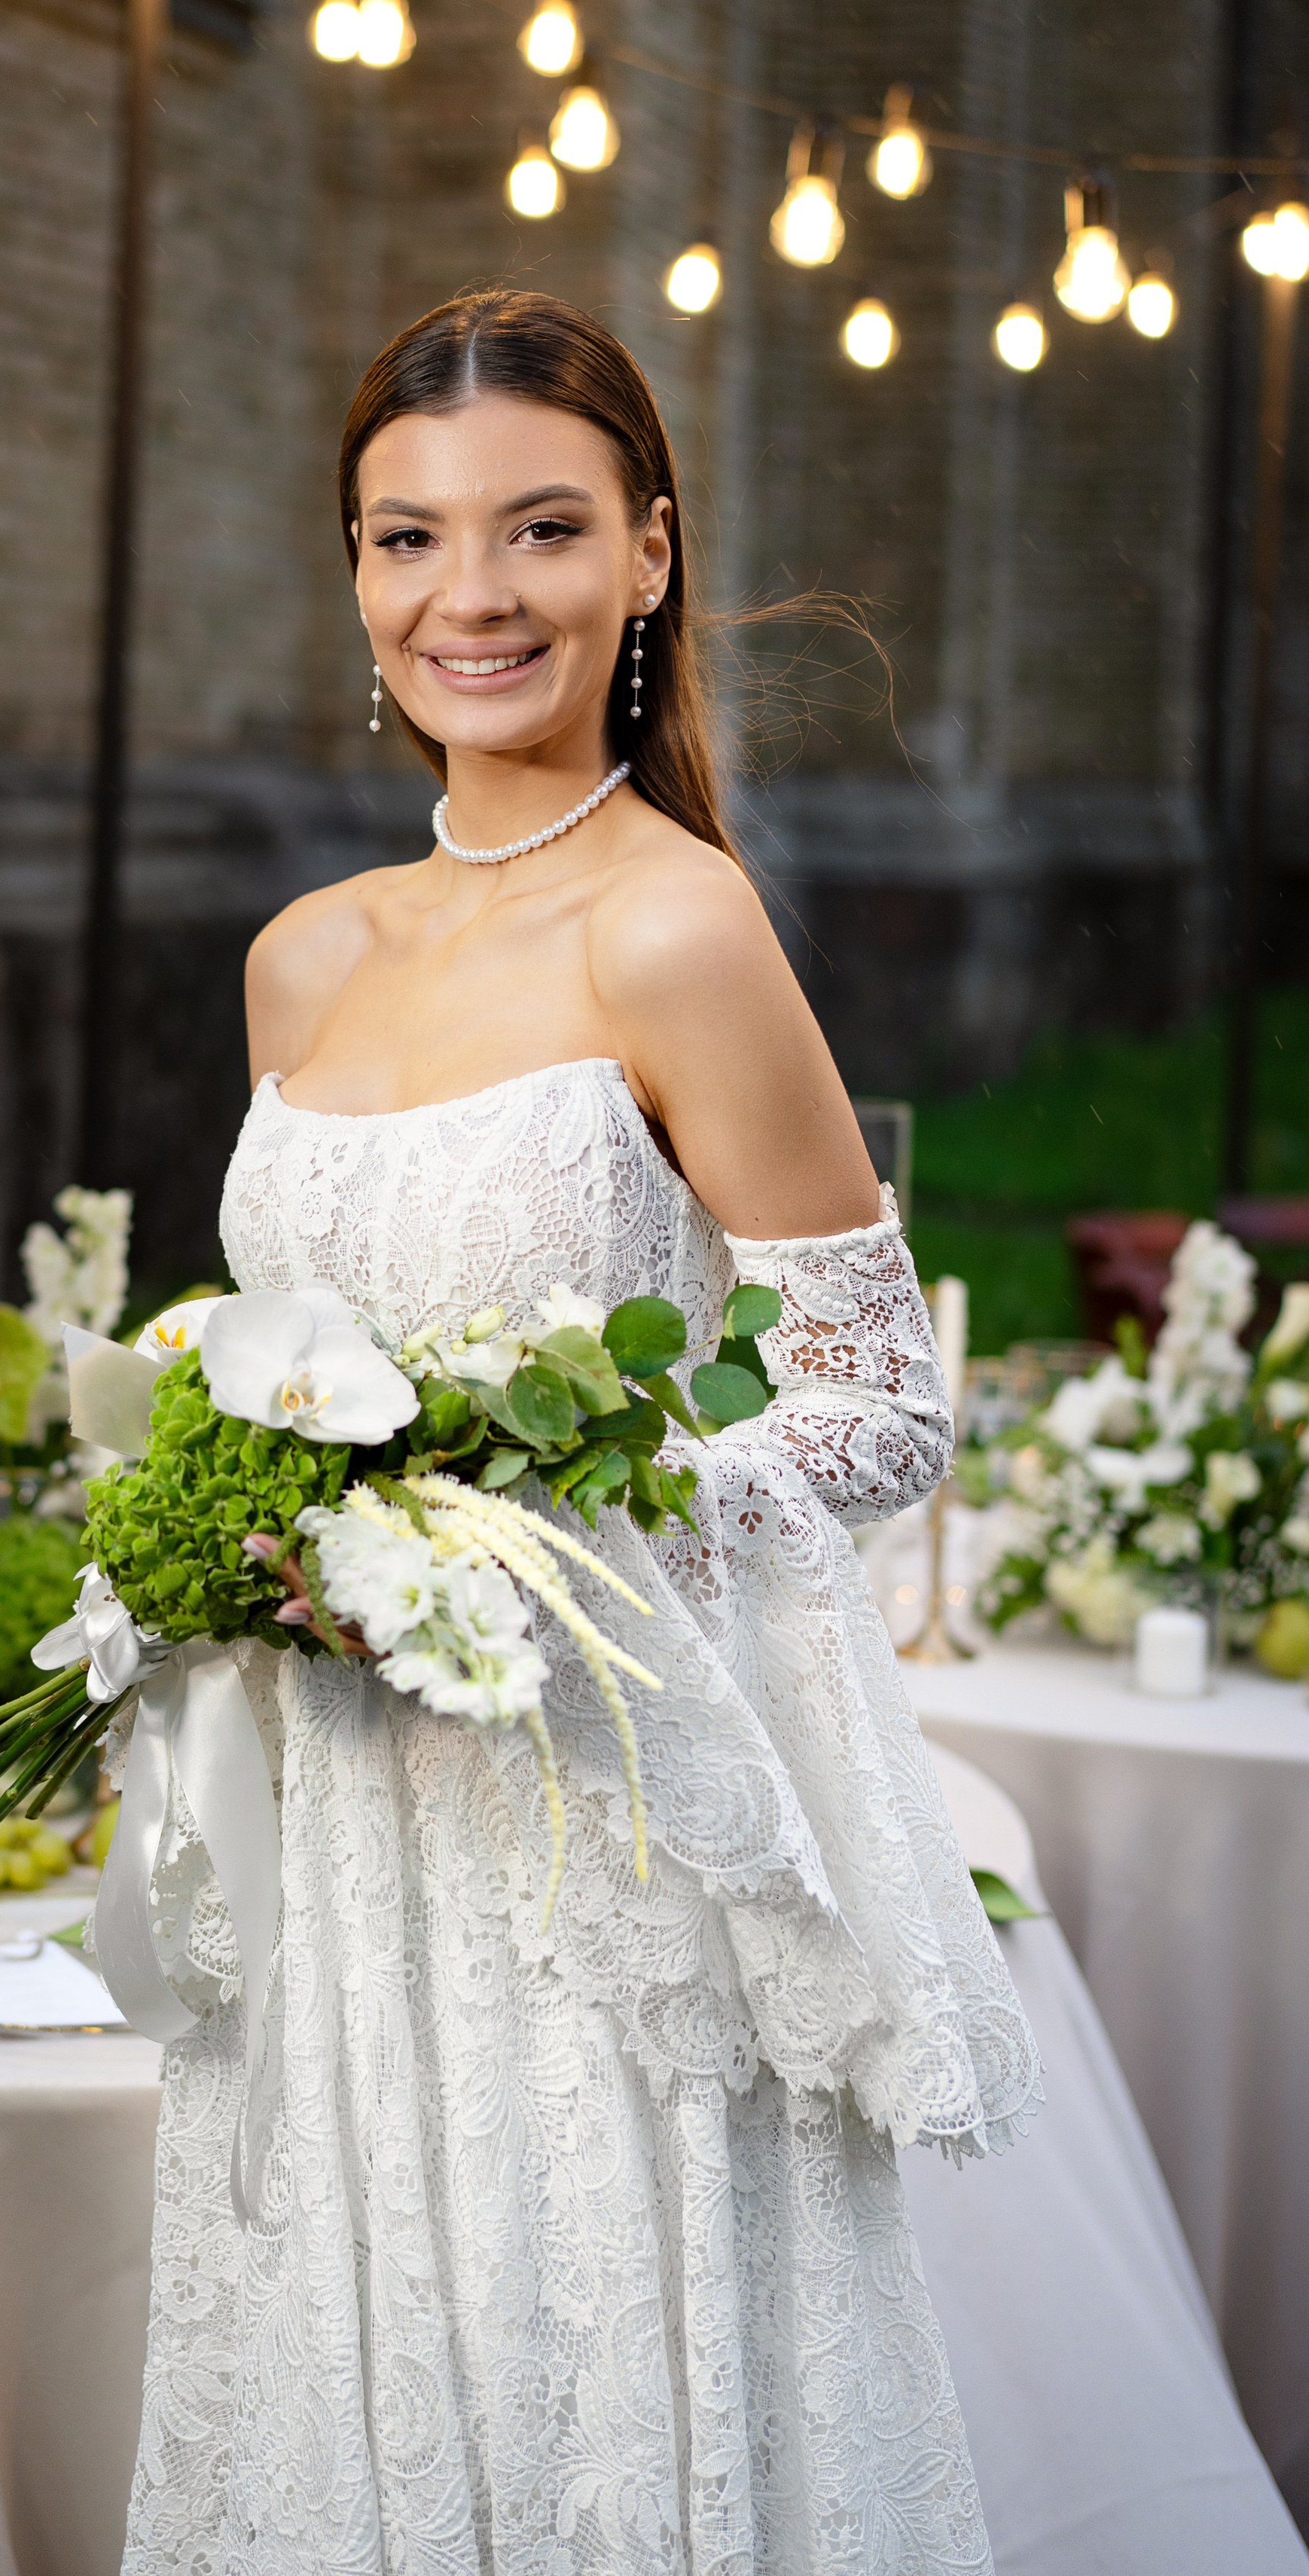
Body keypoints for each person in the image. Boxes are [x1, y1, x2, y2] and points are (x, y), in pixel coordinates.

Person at [119, 288, 1038, 2575]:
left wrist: (531, 1535)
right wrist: (235, 1533)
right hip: (335, 1840)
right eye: (409, 536)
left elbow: (876, 1399)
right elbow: (292, 1364)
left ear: (649, 551)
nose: (474, 594)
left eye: (540, 528)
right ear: (355, 572)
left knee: (588, 2415)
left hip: (586, 1851)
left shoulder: (677, 928)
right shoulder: (303, 959)